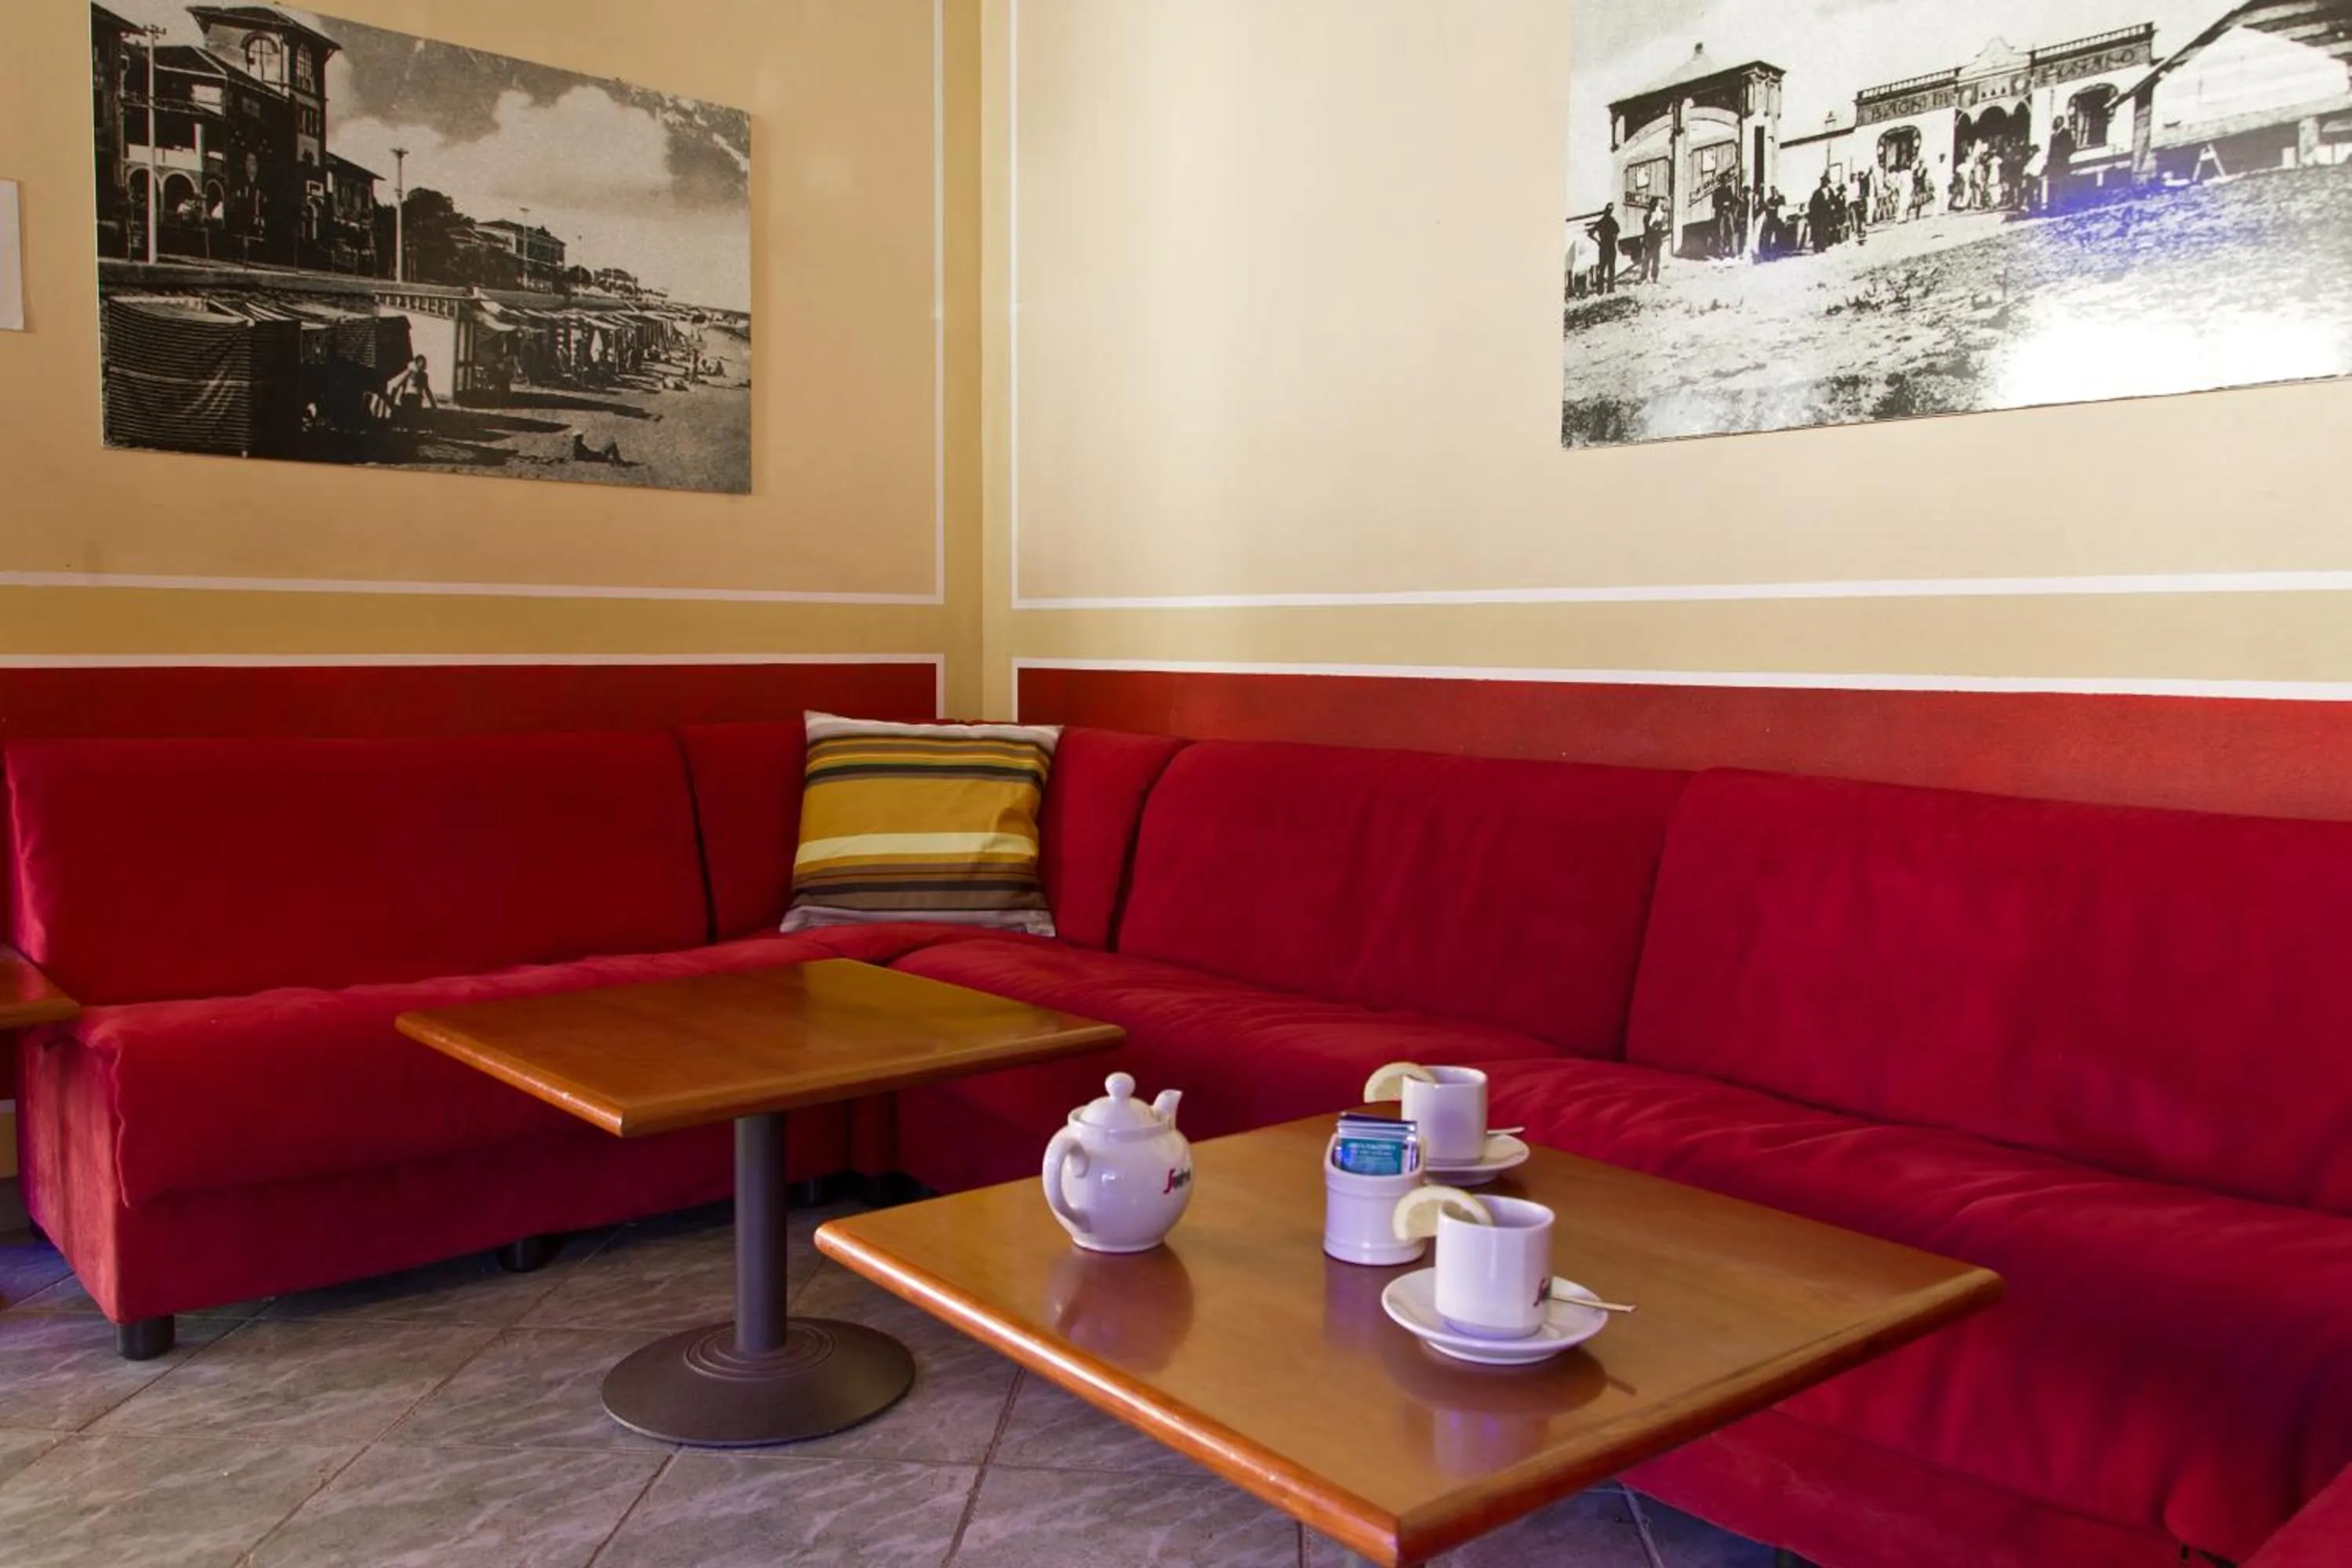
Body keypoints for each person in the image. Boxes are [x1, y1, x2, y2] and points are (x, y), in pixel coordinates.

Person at [385, 354, 435, 426]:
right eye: (422, 363)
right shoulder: (409, 373)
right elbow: (396, 386)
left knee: (415, 422)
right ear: (417, 363)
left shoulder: (424, 376)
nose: (424, 365)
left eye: (425, 363)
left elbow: (427, 390)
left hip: (417, 400)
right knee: (407, 421)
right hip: (408, 399)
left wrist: (433, 404)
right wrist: (392, 401)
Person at [1589, 203, 1621, 293]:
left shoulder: (1601, 222)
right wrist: (1614, 239)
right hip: (1611, 247)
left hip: (1603, 247)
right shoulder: (1612, 221)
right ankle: (1610, 289)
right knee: (1611, 268)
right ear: (1611, 212)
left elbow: (1590, 233)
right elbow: (1617, 232)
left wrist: (1598, 241)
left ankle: (1600, 290)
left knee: (1602, 269)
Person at [1808, 172, 1838, 253]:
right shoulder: (1817, 192)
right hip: (1819, 215)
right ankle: (1816, 247)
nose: (1825, 183)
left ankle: (1823, 246)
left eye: (1827, 182)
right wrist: (1814, 213)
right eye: (1824, 182)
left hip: (1827, 214)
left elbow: (1834, 201)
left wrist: (1833, 206)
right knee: (1818, 231)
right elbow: (1812, 204)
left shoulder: (1830, 191)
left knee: (1826, 230)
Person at [1711, 171, 1737, 259]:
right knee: (1720, 233)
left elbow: (1733, 201)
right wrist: (1722, 205)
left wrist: (1730, 206)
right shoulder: (1717, 191)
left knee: (1731, 231)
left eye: (1727, 181)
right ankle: (1720, 253)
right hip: (1720, 213)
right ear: (1721, 182)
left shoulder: (1729, 190)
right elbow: (1714, 204)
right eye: (1724, 181)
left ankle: (1732, 251)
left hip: (1729, 212)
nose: (1725, 182)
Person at [1642, 196, 1668, 282]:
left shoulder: (1659, 216)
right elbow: (1649, 227)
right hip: (1650, 240)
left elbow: (1660, 225)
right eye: (1656, 205)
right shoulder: (1647, 217)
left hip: (1655, 240)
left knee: (1655, 260)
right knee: (1648, 259)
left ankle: (1653, 276)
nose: (1657, 207)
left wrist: (1658, 220)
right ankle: (1645, 276)